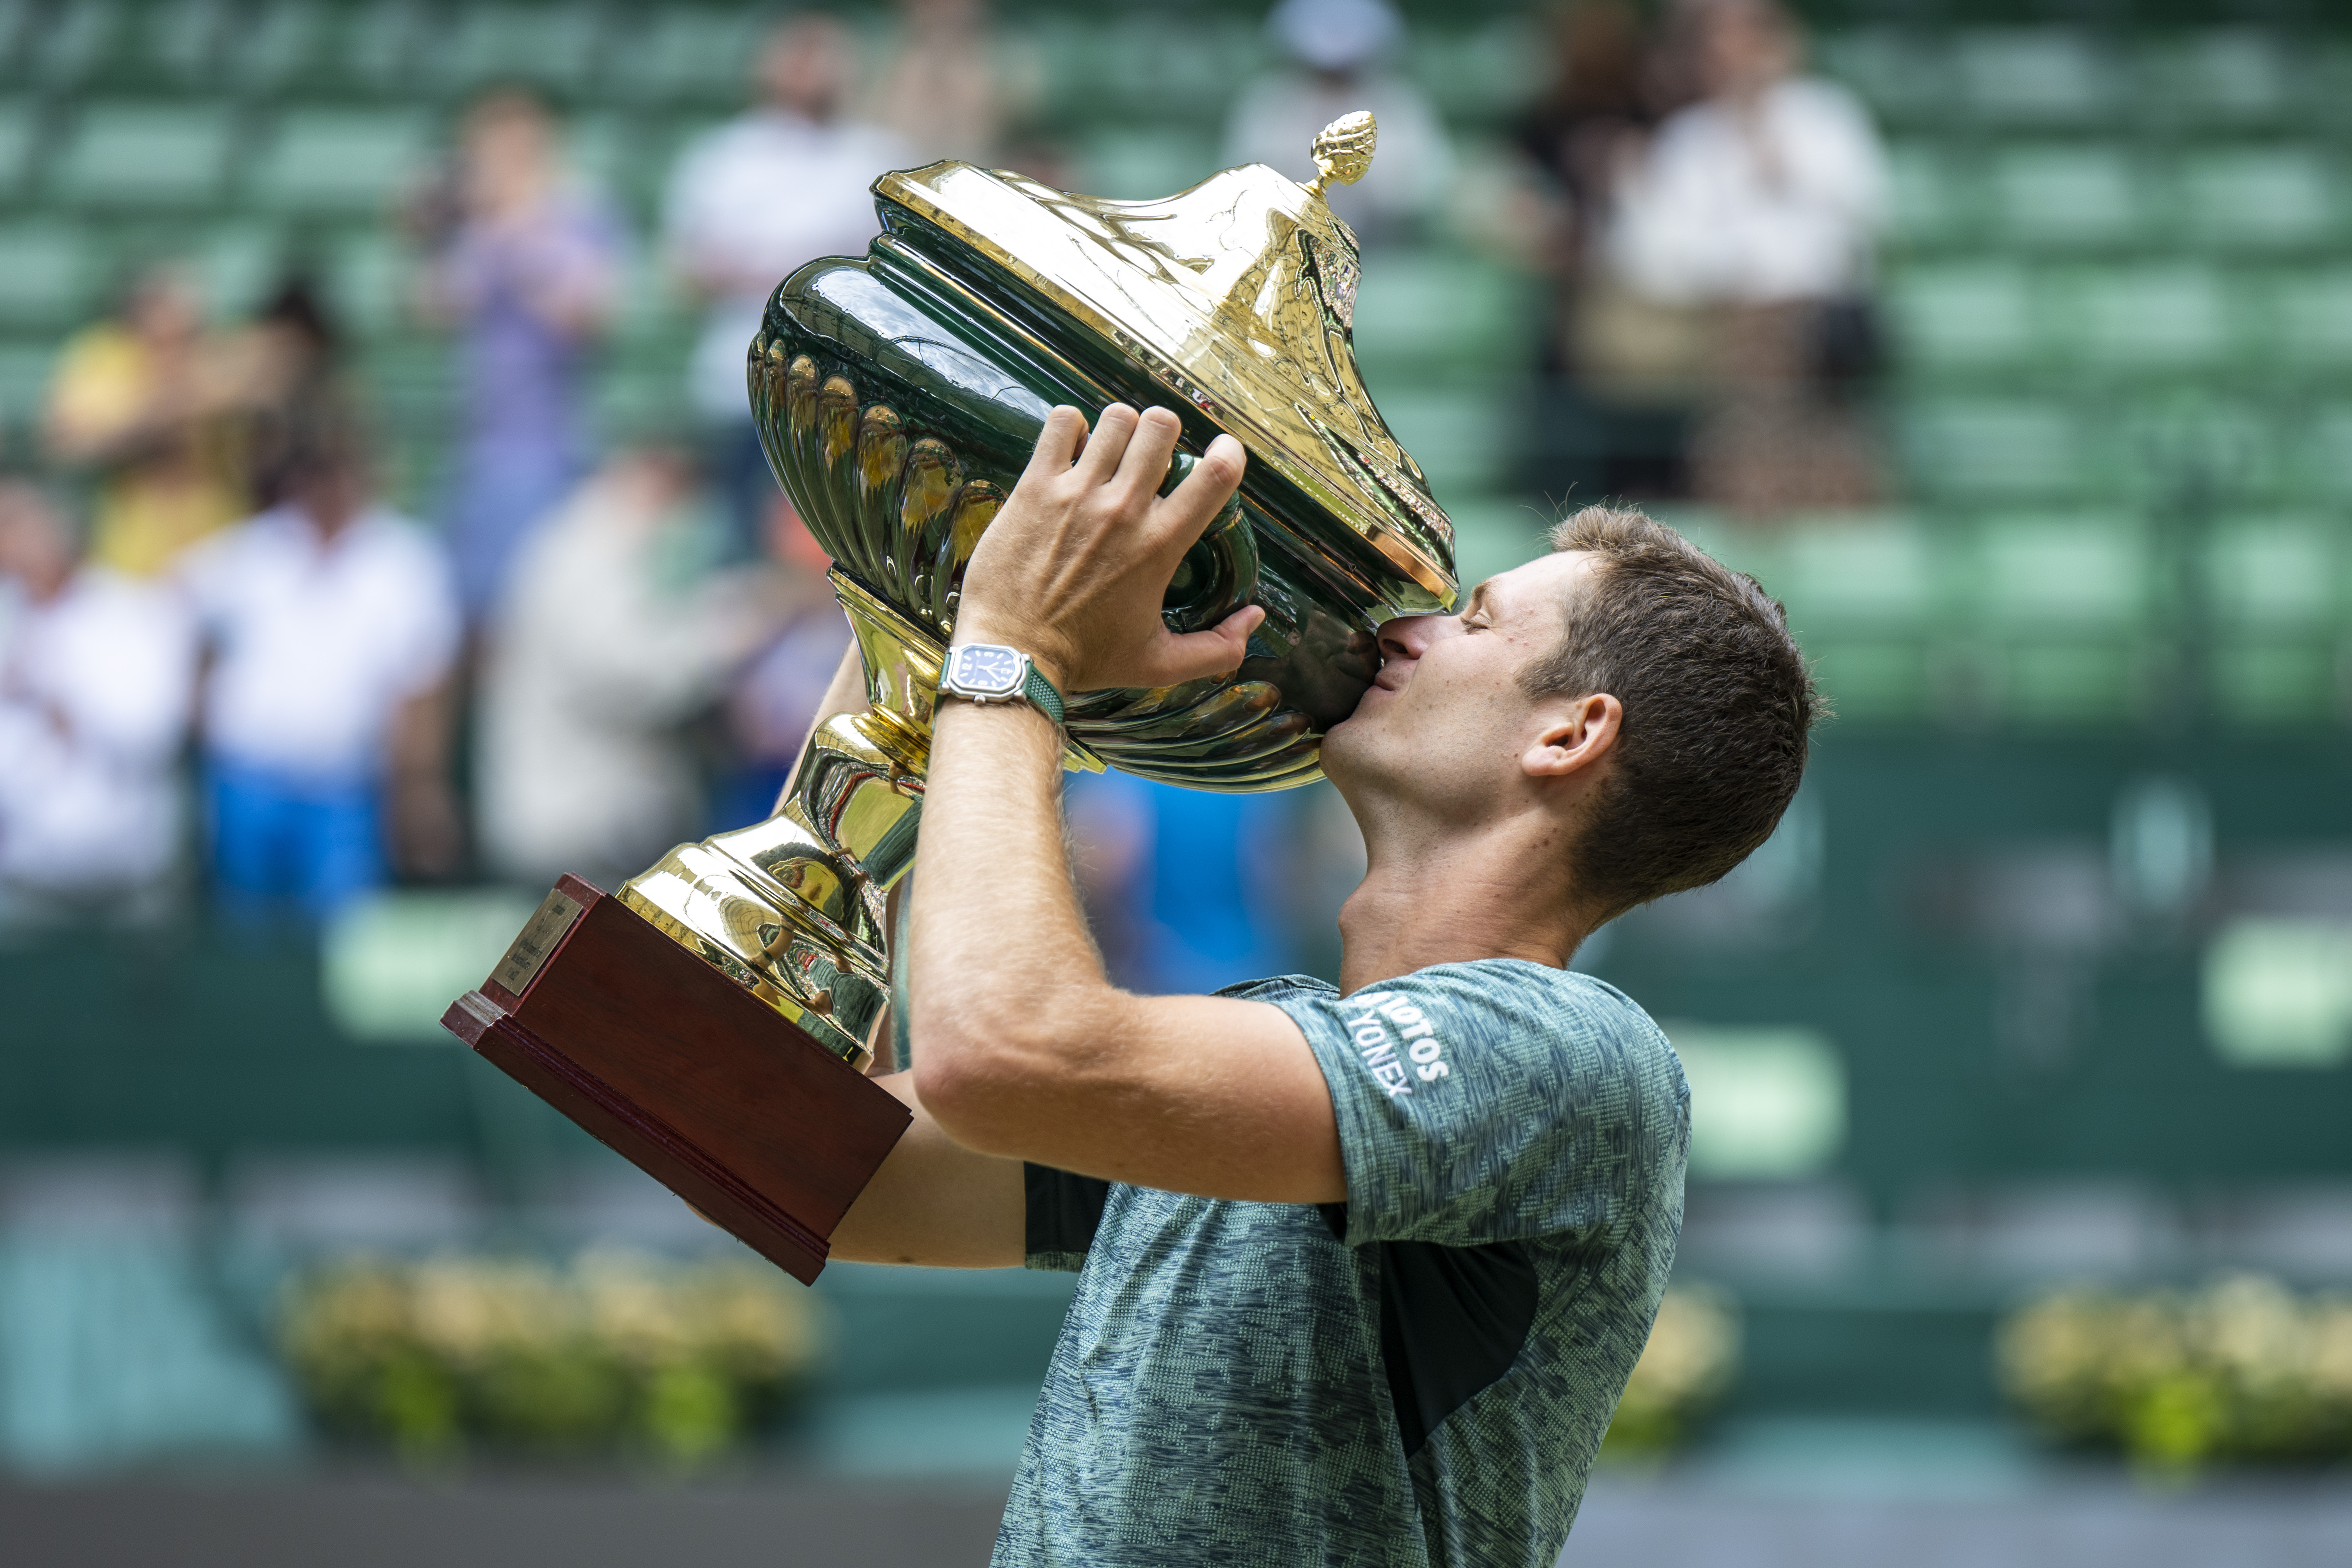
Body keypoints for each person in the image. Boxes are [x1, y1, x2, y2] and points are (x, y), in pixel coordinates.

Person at [820, 403, 1816, 1564]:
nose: (1406, 632)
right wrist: (910, 650)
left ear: (1571, 733)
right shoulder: (1267, 1049)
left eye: (1474, 620)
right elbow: (829, 1176)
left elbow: (1001, 1055)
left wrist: (1011, 657)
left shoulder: (1572, 1056)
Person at [1603, 0, 1889, 514]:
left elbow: (1862, 224)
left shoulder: (1828, 120)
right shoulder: (1687, 140)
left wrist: (1781, 165)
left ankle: (1805, 501)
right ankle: (1760, 501)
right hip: (1722, 322)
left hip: (1821, 322)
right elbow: (1651, 254)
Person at [178, 410, 460, 920]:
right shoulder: (252, 550)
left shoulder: (403, 559)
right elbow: (186, 616)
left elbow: (422, 683)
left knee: (338, 938)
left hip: (346, 784)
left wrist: (420, 785)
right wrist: (200, 710)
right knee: (245, 939)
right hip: (247, 776)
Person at [475, 447, 791, 890]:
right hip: (576, 819)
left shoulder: (584, 538)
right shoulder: (588, 549)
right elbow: (629, 676)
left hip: (582, 811)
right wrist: (730, 629)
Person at [664, 15, 912, 553]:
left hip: (843, 385)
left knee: (831, 546)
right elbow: (687, 271)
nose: (812, 72)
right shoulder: (723, 158)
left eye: (824, 57)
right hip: (739, 380)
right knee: (740, 544)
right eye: (799, 56)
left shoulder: (874, 158)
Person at [413, 88, 625, 624]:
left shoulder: (578, 213)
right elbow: (433, 307)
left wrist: (519, 237)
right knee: (466, 615)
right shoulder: (479, 223)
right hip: (474, 443)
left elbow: (588, 318)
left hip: (548, 444)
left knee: (533, 612)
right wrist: (440, 228)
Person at [0, 483, 196, 923]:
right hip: (26, 872)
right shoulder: (8, 618)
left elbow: (153, 733)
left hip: (126, 871)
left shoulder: (128, 614)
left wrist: (61, 698)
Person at [41, 264, 264, 578]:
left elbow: (271, 382)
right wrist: (164, 412)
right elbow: (64, 442)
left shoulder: (220, 356)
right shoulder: (106, 358)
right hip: (132, 553)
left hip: (218, 548)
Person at [1222, 0, 1454, 247]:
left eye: (1345, 75)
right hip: (1284, 244)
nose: (1333, 86)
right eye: (1321, 74)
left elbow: (1429, 186)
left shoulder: (1399, 103)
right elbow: (1240, 184)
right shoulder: (1267, 102)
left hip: (1382, 249)